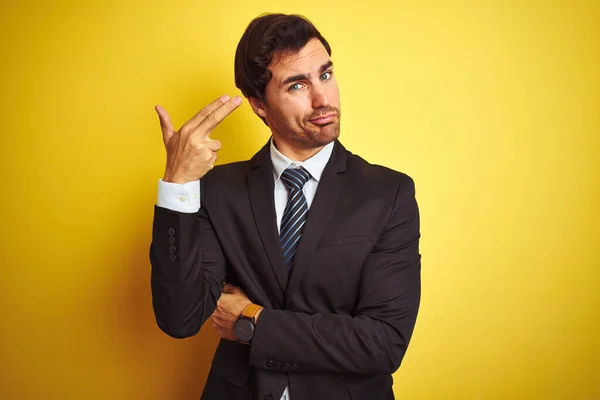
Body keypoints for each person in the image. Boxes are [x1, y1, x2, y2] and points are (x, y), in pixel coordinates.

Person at [149, 13, 421, 400]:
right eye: (298, 85)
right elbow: (181, 317)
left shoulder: (387, 193)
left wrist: (251, 320)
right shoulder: (218, 190)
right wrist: (177, 186)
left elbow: (383, 343)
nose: (322, 98)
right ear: (260, 105)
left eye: (325, 75)